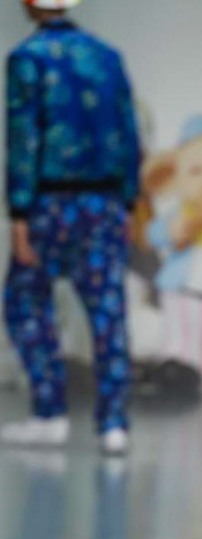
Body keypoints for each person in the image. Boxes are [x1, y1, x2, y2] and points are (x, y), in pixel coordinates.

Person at [1, 0, 140, 454]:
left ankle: (49, 414)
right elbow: (128, 133)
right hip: (104, 204)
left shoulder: (28, 58)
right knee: (107, 310)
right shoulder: (107, 56)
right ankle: (114, 424)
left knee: (24, 301)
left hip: (49, 203)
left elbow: (24, 139)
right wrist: (128, 202)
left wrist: (18, 214)